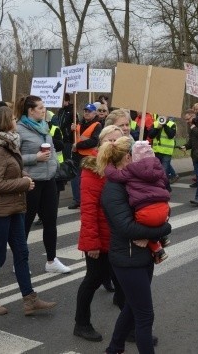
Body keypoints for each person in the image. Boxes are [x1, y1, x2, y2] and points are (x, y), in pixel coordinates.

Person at [0, 105, 56, 316]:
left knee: (22, 253)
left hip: (14, 208)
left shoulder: (9, 143)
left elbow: (12, 170)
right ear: (4, 122)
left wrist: (25, 174)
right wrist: (23, 183)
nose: (15, 120)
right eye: (12, 118)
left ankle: (29, 299)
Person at [100, 136, 172, 354]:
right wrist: (162, 230)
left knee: (133, 306)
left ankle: (114, 348)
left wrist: (162, 227)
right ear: (127, 158)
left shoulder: (137, 182)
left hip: (143, 256)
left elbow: (162, 210)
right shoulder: (113, 189)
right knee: (145, 315)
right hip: (127, 259)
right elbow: (126, 228)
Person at [74, 125, 123, 342]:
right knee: (93, 280)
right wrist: (91, 243)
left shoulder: (124, 165)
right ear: (100, 143)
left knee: (124, 283)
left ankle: (129, 326)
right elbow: (89, 209)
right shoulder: (92, 168)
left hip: (120, 236)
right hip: (100, 238)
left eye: (118, 140)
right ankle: (81, 323)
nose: (113, 144)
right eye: (109, 140)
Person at [15, 95, 70, 274]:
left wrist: (53, 166)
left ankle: (52, 260)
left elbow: (52, 150)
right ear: (30, 110)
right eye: (40, 107)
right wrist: (35, 158)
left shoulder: (45, 127)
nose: (43, 109)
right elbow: (12, 159)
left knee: (50, 222)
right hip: (30, 182)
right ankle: (20, 262)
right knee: (26, 222)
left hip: (49, 181)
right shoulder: (18, 129)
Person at [70, 102, 103, 209]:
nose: (86, 113)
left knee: (87, 179)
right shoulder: (79, 123)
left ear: (94, 114)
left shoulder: (97, 125)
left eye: (89, 112)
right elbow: (76, 138)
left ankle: (86, 200)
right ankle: (77, 199)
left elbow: (94, 141)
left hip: (89, 156)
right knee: (75, 178)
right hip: (77, 154)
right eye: (85, 111)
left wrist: (78, 145)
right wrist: (72, 131)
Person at [149, 114, 177, 185]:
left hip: (166, 152)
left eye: (165, 115)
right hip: (156, 151)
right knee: (157, 170)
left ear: (168, 116)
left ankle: (163, 188)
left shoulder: (172, 124)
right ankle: (165, 187)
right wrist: (157, 128)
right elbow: (150, 135)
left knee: (164, 171)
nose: (163, 116)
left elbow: (171, 135)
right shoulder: (155, 123)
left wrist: (164, 125)